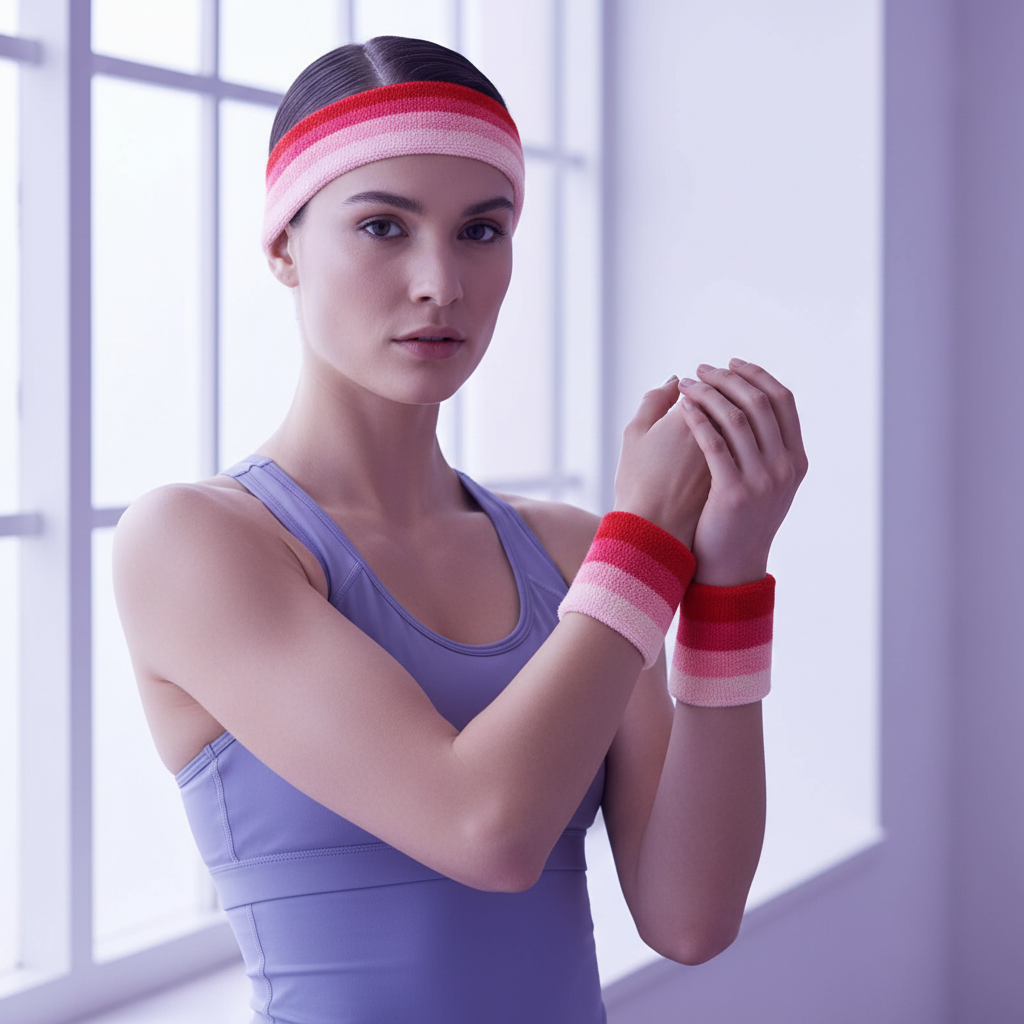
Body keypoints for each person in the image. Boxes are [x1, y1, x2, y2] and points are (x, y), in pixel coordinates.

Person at [112, 35, 806, 1024]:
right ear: (282, 247)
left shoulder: (573, 552)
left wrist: (729, 574)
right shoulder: (193, 542)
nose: (440, 281)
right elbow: (488, 830)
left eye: (482, 231)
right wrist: (648, 545)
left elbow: (690, 917)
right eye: (384, 226)